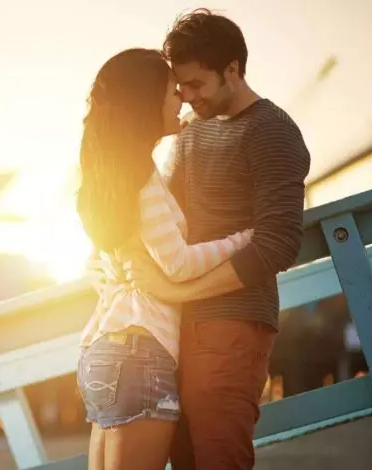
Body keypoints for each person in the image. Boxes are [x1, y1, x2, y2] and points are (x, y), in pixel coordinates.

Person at [117, 9, 312, 470]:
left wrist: (178, 290)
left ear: (233, 69)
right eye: (179, 87)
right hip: (176, 324)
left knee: (218, 457)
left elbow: (278, 242)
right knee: (184, 459)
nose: (185, 98)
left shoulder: (273, 131)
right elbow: (160, 214)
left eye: (196, 85)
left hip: (233, 324)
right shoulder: (191, 133)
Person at [75, 48, 254, 470]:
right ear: (147, 101)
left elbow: (97, 265)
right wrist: (244, 239)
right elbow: (177, 263)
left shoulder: (108, 176)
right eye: (173, 93)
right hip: (140, 351)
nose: (183, 101)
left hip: (101, 350)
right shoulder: (141, 178)